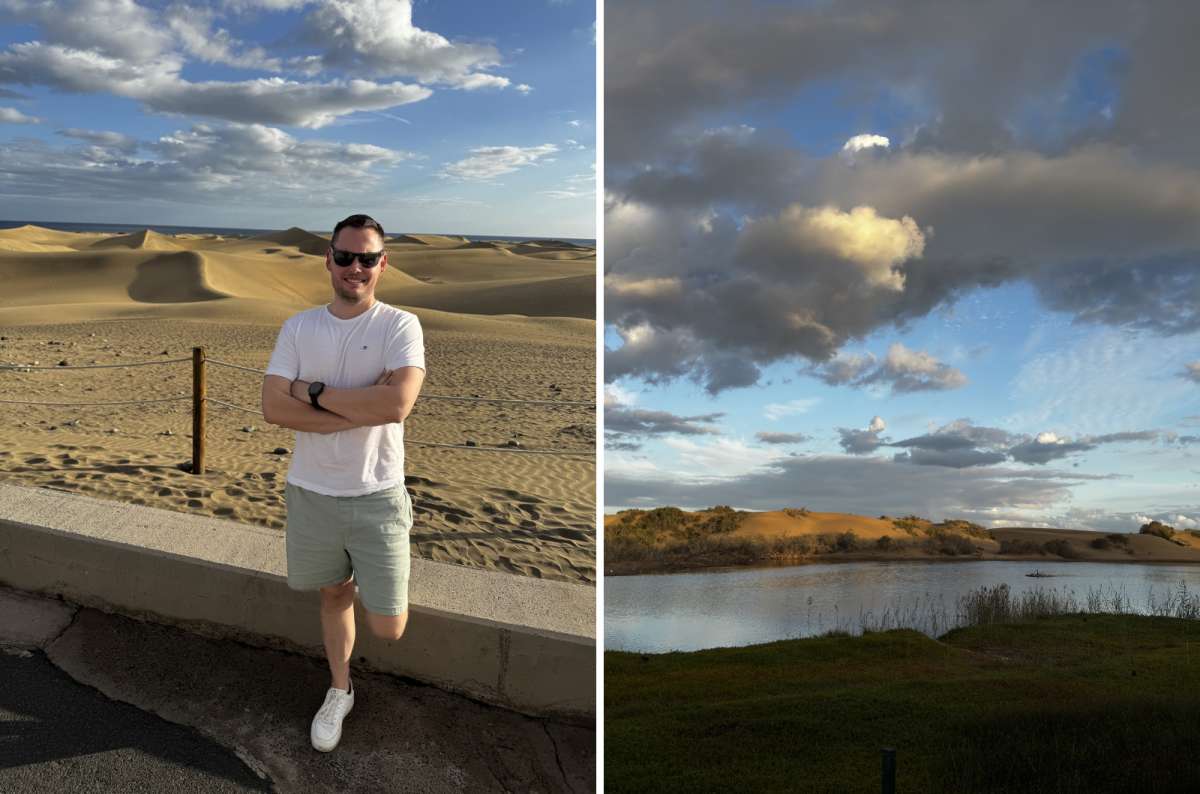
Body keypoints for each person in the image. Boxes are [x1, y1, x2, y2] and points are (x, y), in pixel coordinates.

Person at [261, 213, 425, 752]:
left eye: (368, 258)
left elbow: (397, 405)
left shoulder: (400, 325)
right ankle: (340, 688)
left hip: (377, 494)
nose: (356, 267)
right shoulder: (299, 327)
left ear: (383, 264)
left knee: (389, 628)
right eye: (346, 256)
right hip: (312, 492)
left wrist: (309, 392)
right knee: (334, 595)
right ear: (328, 259)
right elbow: (272, 408)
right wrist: (359, 407)